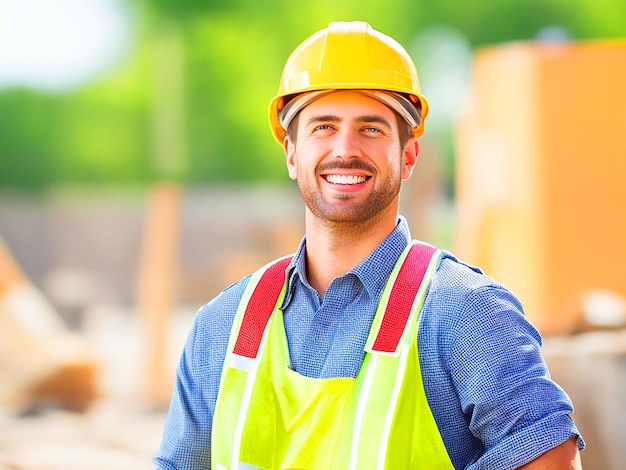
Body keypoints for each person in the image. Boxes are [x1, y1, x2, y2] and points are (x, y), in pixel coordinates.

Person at [154, 21, 584, 469]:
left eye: (371, 129)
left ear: (409, 156)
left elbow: (550, 459)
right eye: (323, 126)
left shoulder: (463, 313)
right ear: (291, 153)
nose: (345, 148)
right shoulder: (221, 328)